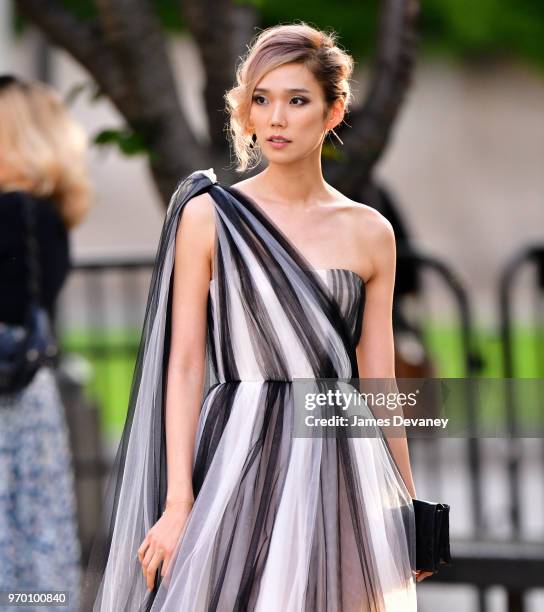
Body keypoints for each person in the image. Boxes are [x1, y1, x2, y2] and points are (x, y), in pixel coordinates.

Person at [81, 23, 433, 612]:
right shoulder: (209, 215)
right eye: (260, 100)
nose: (275, 119)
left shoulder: (371, 232)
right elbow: (186, 363)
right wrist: (177, 502)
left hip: (337, 459)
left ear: (333, 110)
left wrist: (408, 505)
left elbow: (379, 382)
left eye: (297, 101)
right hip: (233, 452)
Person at [0, 74, 91, 611]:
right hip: (29, 393)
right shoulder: (48, 214)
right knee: (35, 524)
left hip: (10, 397)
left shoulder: (13, 211)